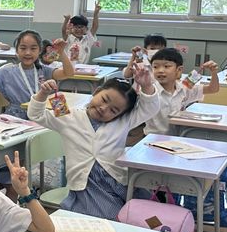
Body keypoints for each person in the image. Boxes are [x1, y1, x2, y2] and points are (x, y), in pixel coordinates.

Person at [27, 66, 160, 219]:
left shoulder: (123, 121)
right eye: (104, 100)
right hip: (87, 185)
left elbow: (150, 108)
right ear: (96, 91)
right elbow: (36, 114)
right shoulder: (67, 115)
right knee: (109, 218)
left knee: (144, 215)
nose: (104, 108)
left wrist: (147, 86)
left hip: (118, 180)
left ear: (120, 115)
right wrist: (43, 93)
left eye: (113, 110)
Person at [0, 30, 74, 119]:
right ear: (17, 50)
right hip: (17, 118)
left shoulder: (44, 70)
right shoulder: (7, 72)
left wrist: (61, 52)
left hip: (41, 116)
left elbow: (69, 73)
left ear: (39, 50)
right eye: (23, 48)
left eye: (33, 49)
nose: (28, 53)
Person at [140, 48, 220, 136]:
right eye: (155, 67)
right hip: (152, 138)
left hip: (178, 138)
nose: (160, 70)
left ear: (179, 70)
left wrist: (214, 73)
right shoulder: (151, 90)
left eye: (166, 66)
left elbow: (213, 89)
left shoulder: (184, 88)